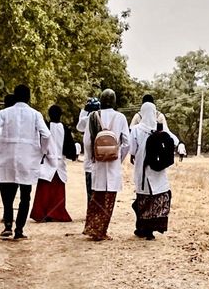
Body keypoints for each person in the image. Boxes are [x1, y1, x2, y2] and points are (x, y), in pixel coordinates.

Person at [0, 84, 50, 240]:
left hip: (6, 157)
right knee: (25, 195)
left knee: (6, 191)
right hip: (27, 159)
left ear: (14, 97)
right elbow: (46, 135)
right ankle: (19, 230)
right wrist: (42, 151)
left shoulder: (5, 113)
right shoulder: (36, 115)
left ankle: (8, 224)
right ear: (29, 98)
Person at [82, 88, 129, 241]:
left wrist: (91, 159)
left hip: (98, 164)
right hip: (113, 164)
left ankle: (93, 228)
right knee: (109, 199)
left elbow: (88, 141)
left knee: (96, 198)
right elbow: (127, 143)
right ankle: (102, 230)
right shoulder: (120, 117)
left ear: (101, 101)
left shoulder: (93, 116)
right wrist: (118, 158)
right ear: (114, 101)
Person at [129, 102, 179, 240]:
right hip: (158, 169)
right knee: (156, 197)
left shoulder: (136, 129)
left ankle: (142, 228)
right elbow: (175, 140)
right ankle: (150, 229)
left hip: (142, 170)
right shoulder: (160, 129)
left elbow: (132, 150)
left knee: (142, 200)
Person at [30, 105, 77, 222]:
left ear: (49, 114)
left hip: (46, 161)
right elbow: (70, 149)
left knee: (44, 189)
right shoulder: (65, 129)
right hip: (60, 162)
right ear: (61, 115)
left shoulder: (45, 127)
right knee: (58, 190)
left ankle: (40, 213)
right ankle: (56, 212)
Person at [76, 96, 100, 203]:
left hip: (89, 164)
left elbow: (79, 127)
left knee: (90, 190)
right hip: (101, 162)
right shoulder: (103, 117)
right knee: (99, 190)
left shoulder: (87, 119)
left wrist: (83, 111)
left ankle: (90, 209)